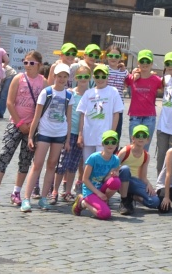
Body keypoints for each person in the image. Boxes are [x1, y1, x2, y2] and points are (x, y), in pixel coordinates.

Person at [0, 51, 43, 206]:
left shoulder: (43, 82)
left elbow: (43, 107)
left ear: (38, 65)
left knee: (25, 160)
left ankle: (16, 193)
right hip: (15, 124)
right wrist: (20, 123)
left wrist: (32, 126)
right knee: (4, 155)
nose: (28, 66)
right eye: (25, 62)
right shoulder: (18, 78)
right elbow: (10, 103)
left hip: (32, 128)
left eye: (31, 63)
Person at [22, 63, 74, 211]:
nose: (62, 79)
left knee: (52, 165)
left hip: (59, 134)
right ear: (54, 76)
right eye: (59, 76)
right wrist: (30, 136)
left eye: (64, 76)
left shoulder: (69, 95)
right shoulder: (47, 92)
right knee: (37, 164)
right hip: (45, 132)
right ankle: (26, 198)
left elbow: (68, 118)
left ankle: (44, 198)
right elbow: (37, 115)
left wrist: (68, 140)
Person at [77, 63, 126, 172]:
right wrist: (80, 135)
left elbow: (116, 114)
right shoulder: (88, 93)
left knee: (101, 166)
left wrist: (112, 133)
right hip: (88, 135)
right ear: (93, 77)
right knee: (87, 165)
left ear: (107, 77)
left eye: (103, 76)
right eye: (97, 76)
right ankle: (87, 183)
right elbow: (82, 114)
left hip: (104, 137)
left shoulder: (113, 91)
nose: (100, 79)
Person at [55, 64, 92, 202]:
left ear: (90, 78)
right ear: (76, 78)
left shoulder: (91, 95)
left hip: (82, 133)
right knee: (62, 163)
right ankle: (55, 190)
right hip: (68, 132)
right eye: (80, 76)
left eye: (86, 76)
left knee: (73, 165)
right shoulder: (70, 93)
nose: (83, 79)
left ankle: (68, 191)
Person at [73, 130, 124, 220]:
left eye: (113, 142)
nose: (110, 145)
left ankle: (103, 201)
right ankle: (83, 202)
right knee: (105, 214)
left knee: (116, 181)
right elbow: (85, 179)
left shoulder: (116, 160)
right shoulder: (94, 157)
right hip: (90, 190)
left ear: (117, 144)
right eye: (107, 142)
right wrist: (98, 193)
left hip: (101, 187)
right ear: (102, 144)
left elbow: (105, 180)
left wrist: (113, 175)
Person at [117, 124, 161, 213]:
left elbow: (143, 176)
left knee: (155, 201)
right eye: (138, 136)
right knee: (125, 169)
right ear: (133, 138)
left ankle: (132, 196)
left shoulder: (146, 155)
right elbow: (114, 168)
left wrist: (149, 184)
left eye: (144, 136)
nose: (141, 138)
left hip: (135, 182)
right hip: (121, 180)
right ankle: (124, 201)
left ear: (147, 139)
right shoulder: (125, 151)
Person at [125, 50, 164, 138]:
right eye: (142, 61)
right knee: (134, 145)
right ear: (138, 63)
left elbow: (167, 90)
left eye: (148, 61)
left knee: (145, 145)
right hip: (135, 116)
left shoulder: (157, 80)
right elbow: (120, 81)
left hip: (149, 117)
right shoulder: (132, 78)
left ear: (151, 63)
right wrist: (133, 72)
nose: (145, 63)